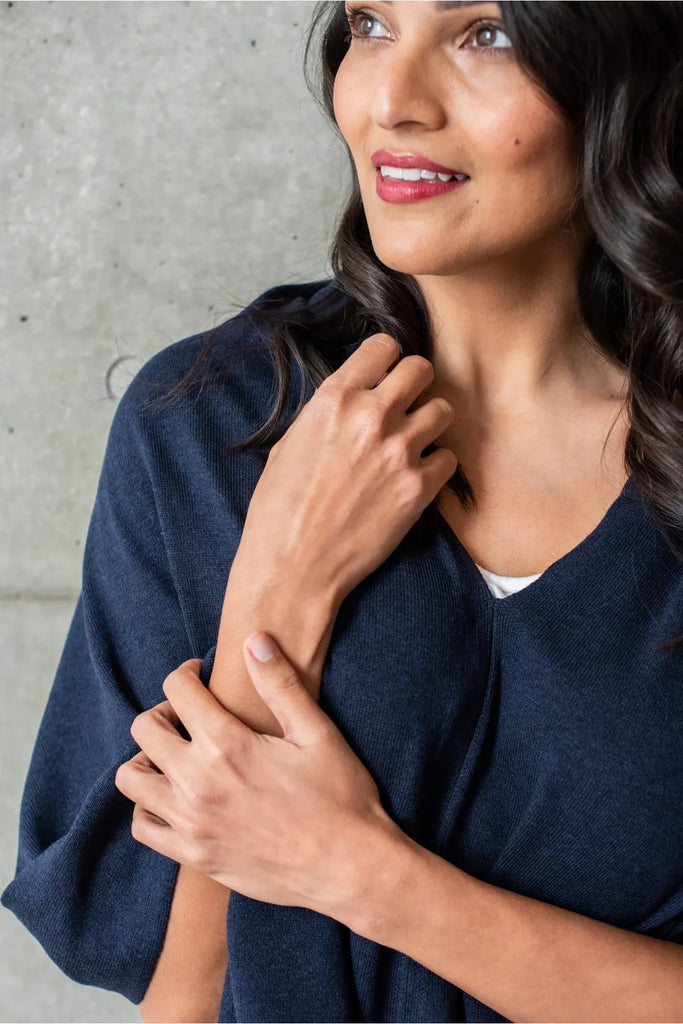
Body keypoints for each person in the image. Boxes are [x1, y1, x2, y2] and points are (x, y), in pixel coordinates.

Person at [2, 2, 682, 1022]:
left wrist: (363, 872)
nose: (390, 101)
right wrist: (277, 585)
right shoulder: (208, 427)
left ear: (615, 74)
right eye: (369, 24)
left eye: (482, 34)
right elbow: (182, 1000)